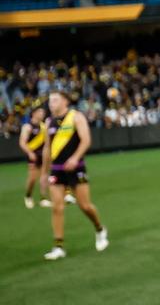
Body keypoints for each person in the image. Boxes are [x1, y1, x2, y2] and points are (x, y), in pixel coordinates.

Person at [42, 91, 108, 260]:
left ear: (65, 101)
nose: (51, 103)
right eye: (50, 101)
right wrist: (44, 172)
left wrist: (75, 158)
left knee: (84, 206)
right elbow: (47, 149)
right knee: (57, 208)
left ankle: (100, 229)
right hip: (57, 170)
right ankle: (58, 247)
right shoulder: (49, 122)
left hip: (76, 168)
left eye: (55, 100)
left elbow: (86, 140)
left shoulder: (76, 117)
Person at [19, 104, 51, 209]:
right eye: (40, 112)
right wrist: (29, 153)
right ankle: (28, 196)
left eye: (43, 112)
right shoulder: (27, 126)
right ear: (34, 113)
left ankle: (43, 198)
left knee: (44, 176)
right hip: (33, 155)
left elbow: (47, 142)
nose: (42, 114)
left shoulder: (43, 126)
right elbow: (22, 143)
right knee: (32, 178)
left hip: (43, 155)